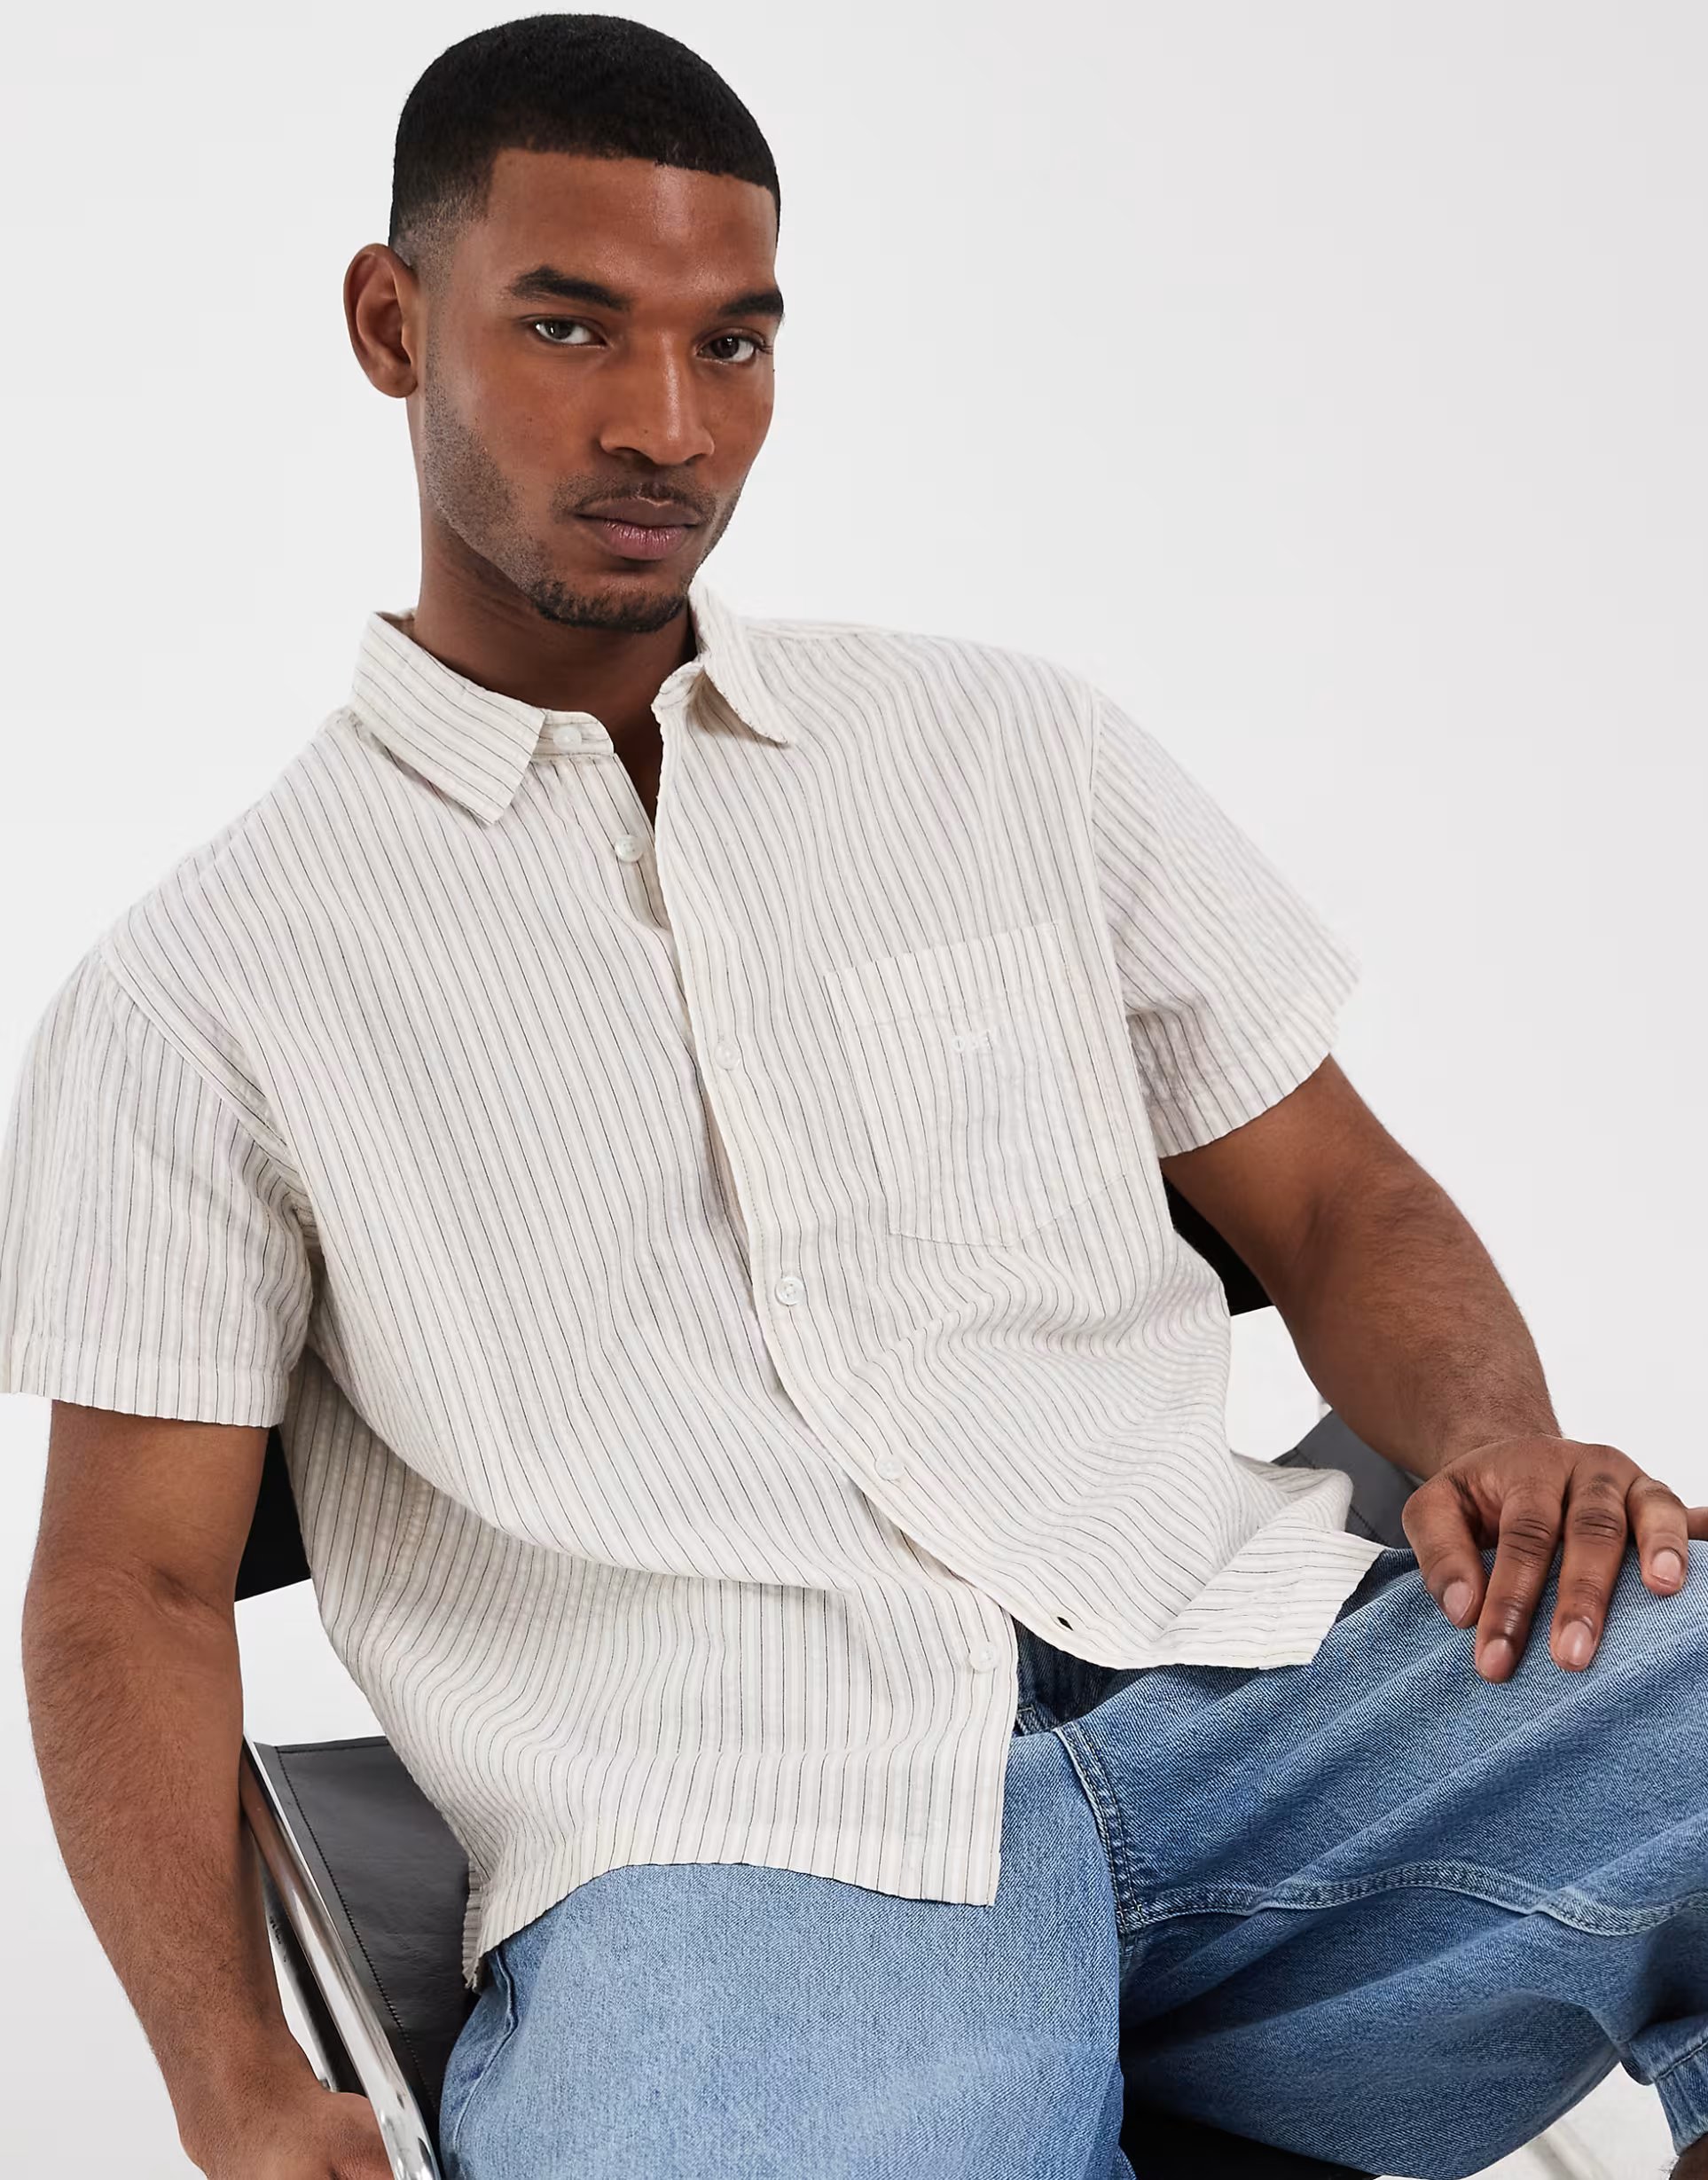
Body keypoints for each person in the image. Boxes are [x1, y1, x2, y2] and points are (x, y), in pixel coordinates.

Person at [4, 15, 1704, 2180]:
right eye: (570, 326)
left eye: (732, 342)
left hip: (1256, 1691)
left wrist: (1493, 1436)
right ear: (391, 322)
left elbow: (1336, 1196)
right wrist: (229, 2076)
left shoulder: (1012, 755)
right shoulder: (202, 992)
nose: (666, 423)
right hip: (737, 1849)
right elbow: (128, 1589)